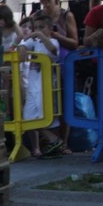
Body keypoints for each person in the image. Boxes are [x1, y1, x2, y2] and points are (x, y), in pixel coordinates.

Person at [18, 14, 65, 157]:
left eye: (41, 27)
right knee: (28, 117)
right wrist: (22, 48)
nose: (38, 30)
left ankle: (54, 144)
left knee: (49, 117)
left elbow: (53, 50)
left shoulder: (53, 41)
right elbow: (23, 46)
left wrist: (41, 36)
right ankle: (48, 143)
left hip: (47, 85)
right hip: (33, 85)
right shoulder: (34, 42)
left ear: (50, 28)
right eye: (36, 28)